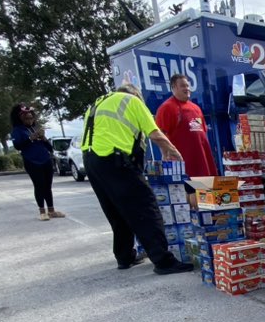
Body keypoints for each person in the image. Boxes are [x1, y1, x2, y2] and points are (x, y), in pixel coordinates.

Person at [80, 83, 194, 275]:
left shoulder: (97, 103)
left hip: (92, 162)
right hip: (116, 161)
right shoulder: (131, 101)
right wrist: (173, 152)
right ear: (136, 96)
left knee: (116, 210)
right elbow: (155, 133)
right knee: (146, 207)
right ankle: (163, 261)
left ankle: (124, 256)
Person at [154, 73, 217, 178]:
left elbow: (201, 134)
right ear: (174, 87)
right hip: (182, 164)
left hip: (202, 162)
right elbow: (161, 135)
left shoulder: (196, 108)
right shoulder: (167, 108)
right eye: (183, 86)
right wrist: (165, 155)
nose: (187, 88)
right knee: (188, 192)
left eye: (188, 86)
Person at [10, 103, 64, 221]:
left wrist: (44, 138)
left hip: (45, 160)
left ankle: (51, 210)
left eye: (31, 118)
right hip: (32, 161)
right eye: (26, 118)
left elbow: (50, 148)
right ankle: (42, 211)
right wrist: (31, 138)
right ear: (20, 118)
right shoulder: (17, 131)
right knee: (39, 186)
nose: (30, 120)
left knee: (47, 186)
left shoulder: (35, 128)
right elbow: (18, 146)